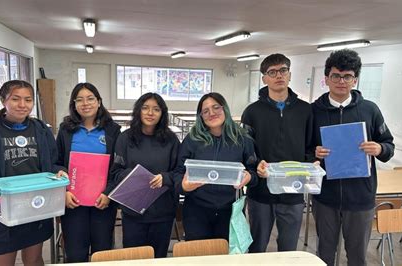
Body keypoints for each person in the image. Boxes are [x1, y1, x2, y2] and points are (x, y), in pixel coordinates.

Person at [0, 80, 64, 266]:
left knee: (33, 260)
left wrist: (60, 172)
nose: (23, 105)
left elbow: (54, 164)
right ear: (3, 100)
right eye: (15, 99)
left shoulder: (41, 130)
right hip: (1, 213)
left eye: (28, 100)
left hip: (36, 207)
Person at [312, 49, 394, 266]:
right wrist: (313, 153)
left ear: (355, 80)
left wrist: (379, 148)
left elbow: (389, 145)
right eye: (336, 76)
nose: (341, 81)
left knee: (357, 256)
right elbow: (303, 149)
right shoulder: (313, 111)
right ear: (327, 79)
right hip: (325, 197)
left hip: (360, 197)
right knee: (325, 254)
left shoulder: (370, 110)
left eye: (347, 76)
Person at [241, 54, 314, 252]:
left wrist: (311, 162)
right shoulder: (252, 112)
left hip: (293, 190)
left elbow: (311, 146)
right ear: (264, 78)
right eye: (272, 72)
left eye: (283, 70)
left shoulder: (305, 110)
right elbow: (246, 149)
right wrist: (256, 165)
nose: (278, 76)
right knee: (257, 245)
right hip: (261, 192)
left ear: (289, 74)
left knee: (289, 248)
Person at [175, 92, 258, 241]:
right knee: (198, 256)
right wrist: (184, 187)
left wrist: (249, 177)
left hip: (230, 210)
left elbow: (254, 172)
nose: (211, 113)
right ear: (200, 116)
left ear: (224, 108)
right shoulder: (192, 139)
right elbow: (178, 172)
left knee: (225, 257)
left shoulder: (243, 139)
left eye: (216, 107)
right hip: (196, 211)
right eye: (205, 111)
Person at [55, 82, 121, 262]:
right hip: (73, 203)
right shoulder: (65, 130)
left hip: (103, 202)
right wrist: (65, 191)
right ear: (74, 104)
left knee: (102, 252)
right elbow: (56, 163)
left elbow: (118, 167)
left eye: (90, 98)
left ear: (99, 102)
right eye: (80, 100)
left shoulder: (113, 131)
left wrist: (108, 193)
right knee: (75, 253)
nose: (86, 103)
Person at [110, 93, 180, 258]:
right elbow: (116, 172)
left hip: (162, 212)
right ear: (138, 111)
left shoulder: (171, 140)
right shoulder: (125, 138)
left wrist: (166, 178)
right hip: (133, 212)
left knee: (158, 257)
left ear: (162, 113)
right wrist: (133, 177)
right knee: (134, 258)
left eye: (156, 109)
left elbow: (179, 172)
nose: (150, 113)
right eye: (145, 108)